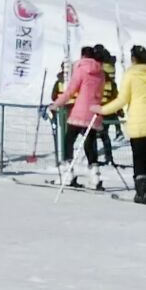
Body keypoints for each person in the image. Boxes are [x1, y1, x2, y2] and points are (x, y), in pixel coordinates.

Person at [94, 45, 146, 205]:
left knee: (139, 158)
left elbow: (122, 100)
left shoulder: (130, 75)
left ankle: (142, 193)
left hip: (139, 123)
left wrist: (102, 109)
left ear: (134, 59)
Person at [50, 46, 105, 189]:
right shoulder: (101, 72)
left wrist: (55, 105)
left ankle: (68, 173)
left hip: (80, 111)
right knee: (89, 143)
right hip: (94, 112)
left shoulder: (80, 68)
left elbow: (70, 91)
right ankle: (95, 175)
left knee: (68, 141)